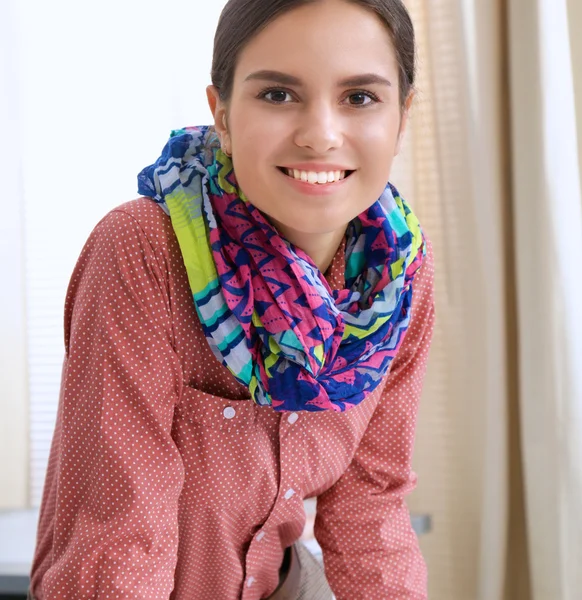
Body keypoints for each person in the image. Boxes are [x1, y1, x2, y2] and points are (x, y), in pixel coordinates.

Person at [29, 0, 435, 598]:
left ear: (401, 117)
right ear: (220, 113)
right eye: (277, 94)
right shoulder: (144, 250)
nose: (321, 134)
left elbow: (369, 509)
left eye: (359, 97)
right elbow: (117, 541)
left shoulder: (397, 283)